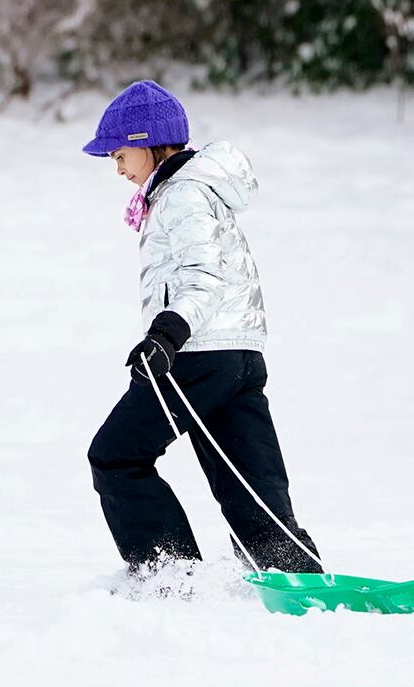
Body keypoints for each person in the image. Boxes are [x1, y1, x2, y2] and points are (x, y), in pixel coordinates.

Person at [82, 79, 323, 578]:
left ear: (150, 143)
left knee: (115, 455)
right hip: (237, 354)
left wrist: (166, 334)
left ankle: (170, 575)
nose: (120, 168)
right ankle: (291, 574)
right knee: (248, 482)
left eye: (122, 154)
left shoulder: (182, 195)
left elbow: (202, 275)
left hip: (195, 352)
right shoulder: (197, 190)